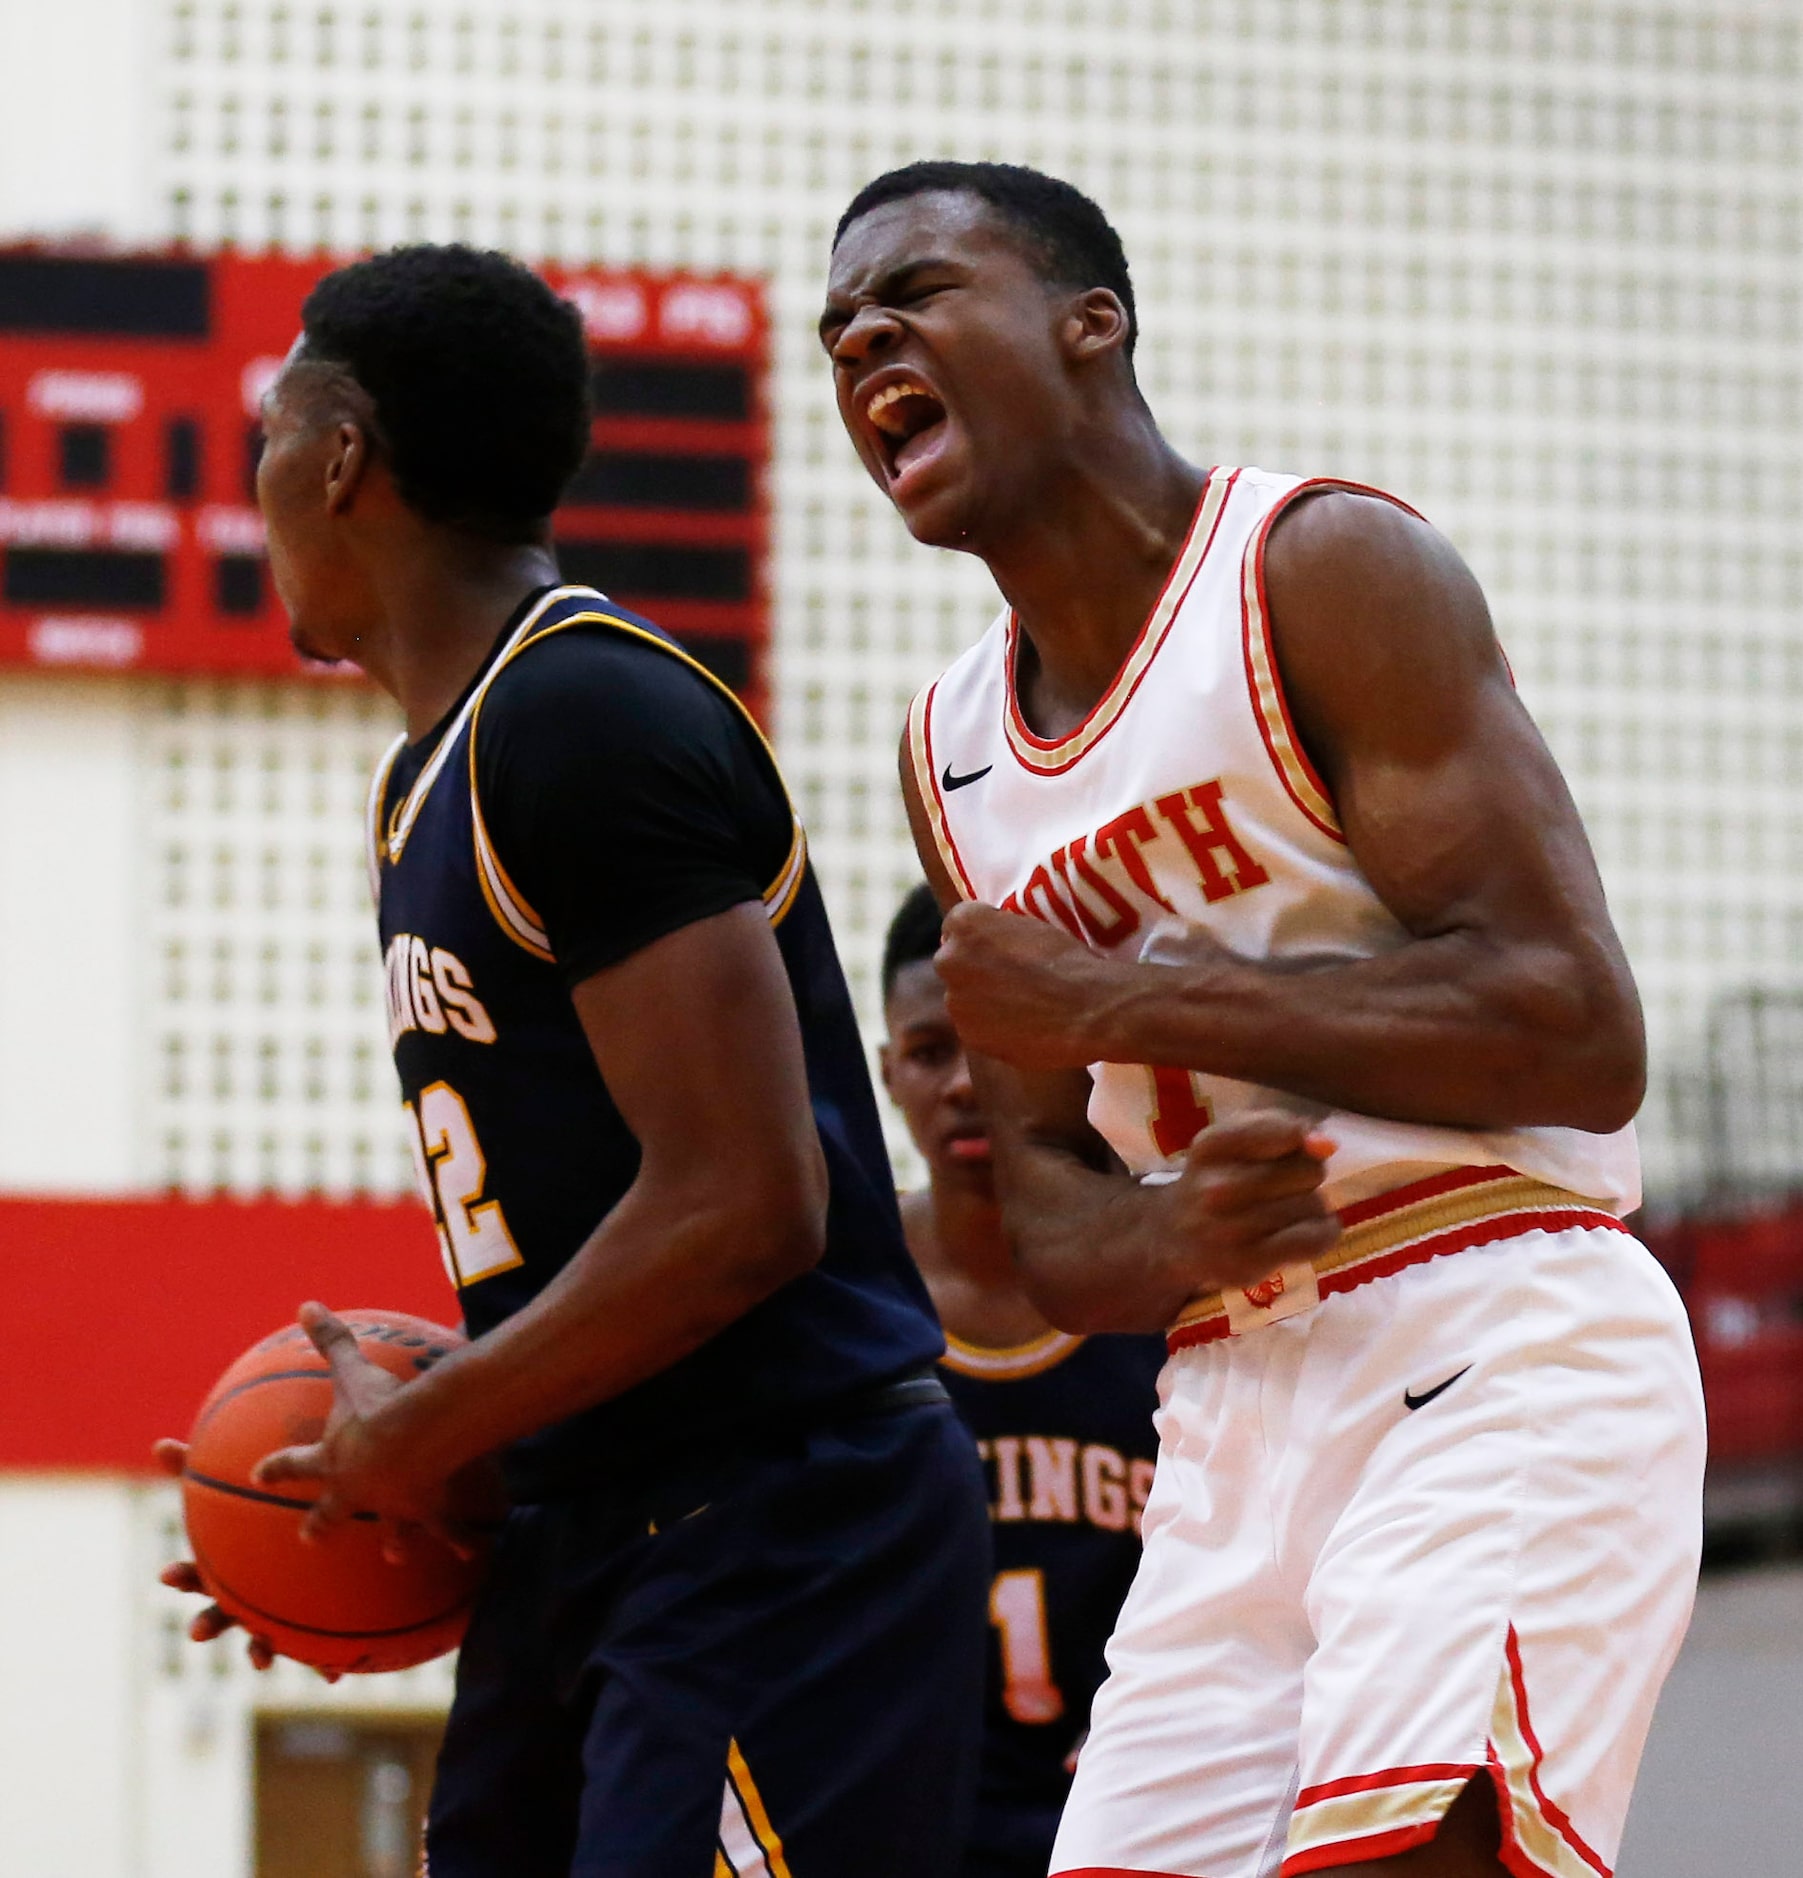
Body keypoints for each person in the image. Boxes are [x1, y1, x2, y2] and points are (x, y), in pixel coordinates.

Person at [821, 161, 1705, 1878]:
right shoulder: (951, 755)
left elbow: (1575, 1025)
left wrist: (1124, 992)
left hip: (1491, 1325)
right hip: (1224, 1407)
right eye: (837, 327)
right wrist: (1160, 1226)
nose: (861, 334)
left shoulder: (1316, 569)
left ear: (1092, 322)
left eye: (914, 291)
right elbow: (1053, 1219)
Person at [157, 243, 990, 1878]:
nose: (254, 479)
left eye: (269, 432)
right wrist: (361, 1492)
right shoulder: (433, 773)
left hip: (778, 1516)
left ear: (339, 460)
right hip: (604, 1517)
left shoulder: (583, 714)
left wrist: (444, 1412)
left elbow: (752, 1203)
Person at [879, 881, 1164, 1878]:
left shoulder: (1167, 1267)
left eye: (989, 1044)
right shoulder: (839, 1294)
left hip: (1130, 1811)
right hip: (896, 1816)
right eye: (927, 1051)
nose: (962, 1083)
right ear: (887, 1072)